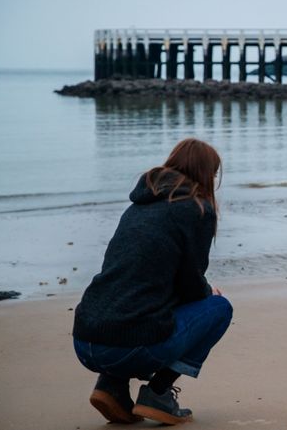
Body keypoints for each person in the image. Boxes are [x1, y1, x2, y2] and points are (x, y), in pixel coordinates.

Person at [72, 138, 232, 425]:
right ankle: (158, 393)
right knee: (220, 309)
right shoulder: (196, 209)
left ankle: (111, 387)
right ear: (208, 174)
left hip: (85, 340)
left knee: (136, 303)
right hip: (130, 347)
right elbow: (190, 286)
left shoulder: (139, 205)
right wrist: (209, 293)